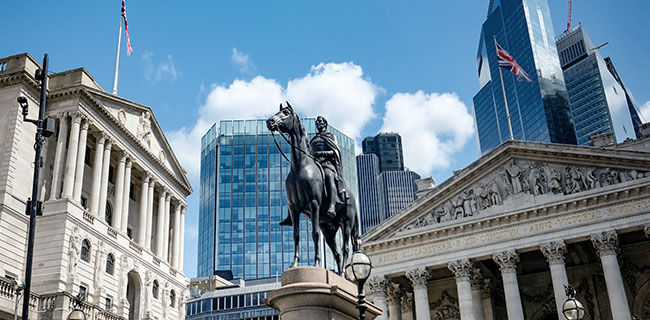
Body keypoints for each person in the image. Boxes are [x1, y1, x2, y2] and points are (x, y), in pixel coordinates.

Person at [280, 116, 345, 226]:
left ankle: (332, 205)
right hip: (315, 165)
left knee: (329, 175)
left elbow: (335, 152)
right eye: (317, 121)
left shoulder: (331, 136)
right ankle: (290, 215)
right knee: (295, 182)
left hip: (326, 164)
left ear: (325, 124)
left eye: (321, 121)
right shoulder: (313, 140)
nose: (318, 123)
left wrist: (321, 154)